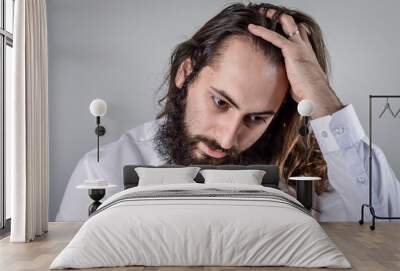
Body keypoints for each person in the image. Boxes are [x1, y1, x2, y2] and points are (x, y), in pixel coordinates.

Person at [55, 2, 400, 222]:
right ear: (185, 74)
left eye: (256, 118)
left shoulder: (303, 182)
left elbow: (384, 226)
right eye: (220, 102)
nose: (227, 137)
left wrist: (320, 94)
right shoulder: (103, 170)